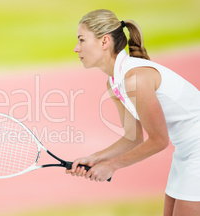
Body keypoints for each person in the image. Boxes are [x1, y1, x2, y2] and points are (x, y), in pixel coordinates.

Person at [65, 9, 200, 215]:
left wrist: (111, 166)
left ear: (104, 42)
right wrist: (95, 158)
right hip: (186, 152)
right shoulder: (114, 82)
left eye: (82, 40)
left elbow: (158, 140)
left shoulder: (134, 78)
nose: (76, 48)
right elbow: (133, 137)